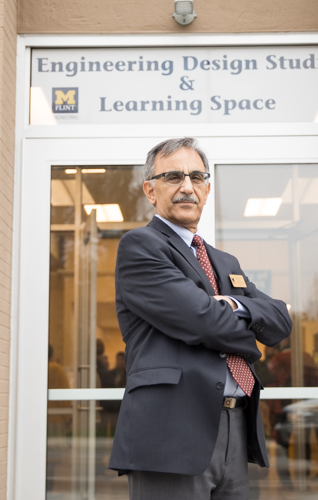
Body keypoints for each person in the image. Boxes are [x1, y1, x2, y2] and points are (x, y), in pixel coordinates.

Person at [108, 137, 292, 499]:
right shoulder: (141, 247)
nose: (187, 187)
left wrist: (236, 308)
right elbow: (203, 320)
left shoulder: (225, 262)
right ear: (150, 189)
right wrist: (247, 327)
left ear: (207, 189)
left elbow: (280, 323)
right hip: (171, 431)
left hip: (235, 424)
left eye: (196, 177)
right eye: (173, 176)